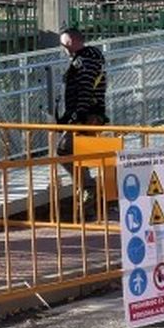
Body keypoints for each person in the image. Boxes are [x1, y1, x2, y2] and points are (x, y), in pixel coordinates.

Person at [55, 27, 108, 199]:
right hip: (87, 114)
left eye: (64, 44)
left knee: (64, 150)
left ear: (70, 42)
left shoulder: (85, 61)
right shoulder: (88, 59)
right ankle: (88, 190)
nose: (63, 49)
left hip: (87, 115)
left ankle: (89, 188)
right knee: (74, 151)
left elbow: (85, 88)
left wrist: (76, 116)